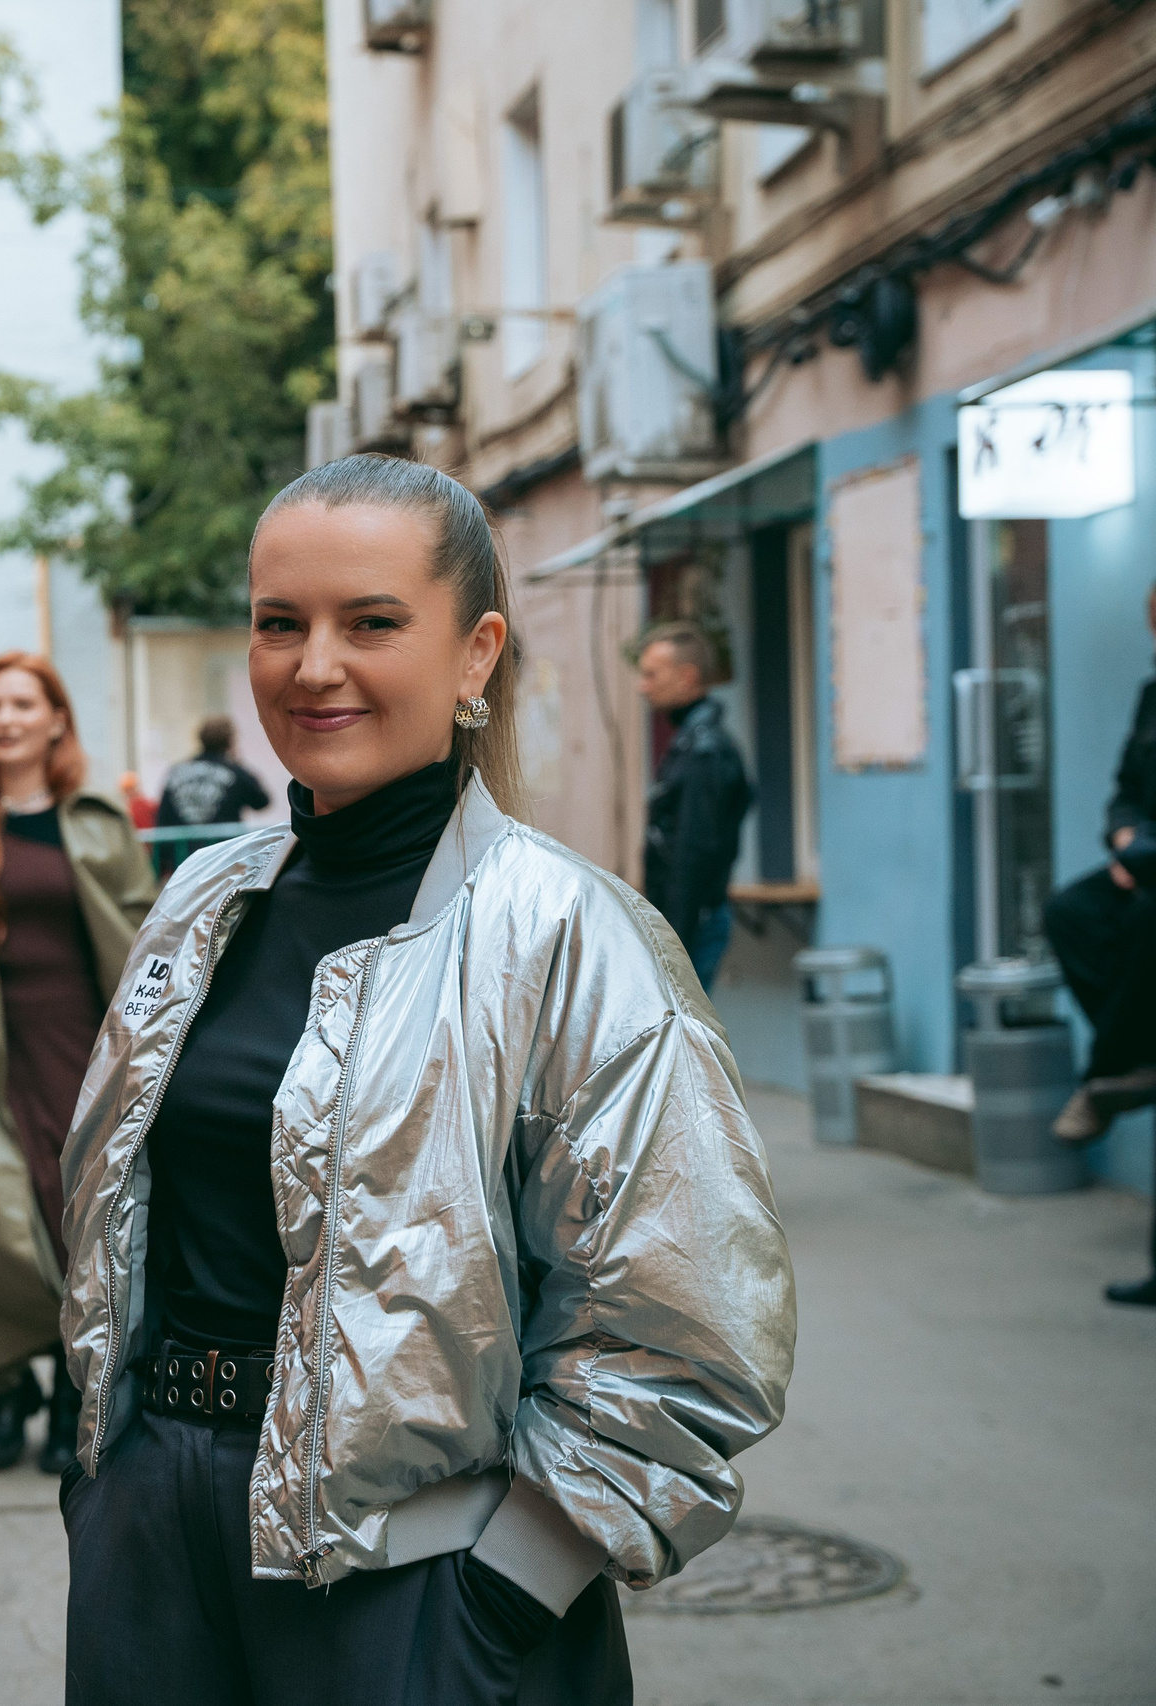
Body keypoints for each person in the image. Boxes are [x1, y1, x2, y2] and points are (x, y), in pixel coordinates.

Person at [58, 456, 796, 1706]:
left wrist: (501, 1594)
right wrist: (108, 1484)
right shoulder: (202, 900)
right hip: (156, 1549)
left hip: (415, 1588)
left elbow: (690, 1320)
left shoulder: (566, 933)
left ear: (474, 654)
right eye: (279, 622)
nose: (314, 665)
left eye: (371, 622)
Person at [0, 656, 156, 1474]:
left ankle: (72, 1390)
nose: (5, 719)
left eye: (22, 704)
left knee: (81, 1229)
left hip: (87, 1055)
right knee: (0, 1237)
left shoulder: (99, 822)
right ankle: (10, 1388)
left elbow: (149, 940)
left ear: (55, 721)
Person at [1047, 579, 1156, 1306]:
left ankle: (1115, 1070)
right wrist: (1123, 836)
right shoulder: (1152, 696)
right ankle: (1134, 1059)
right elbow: (1126, 788)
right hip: (1144, 861)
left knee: (1146, 921)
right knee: (1070, 913)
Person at [635, 620, 753, 990]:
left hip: (690, 925)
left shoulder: (704, 752)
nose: (642, 686)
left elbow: (693, 854)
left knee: (682, 1025)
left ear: (687, 677)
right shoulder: (691, 743)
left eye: (652, 674)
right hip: (685, 923)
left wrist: (674, 944)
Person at [155, 714, 272, 828]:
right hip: (225, 841)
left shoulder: (176, 771)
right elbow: (262, 802)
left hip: (182, 841)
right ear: (230, 740)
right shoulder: (234, 772)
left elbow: (162, 816)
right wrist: (237, 763)